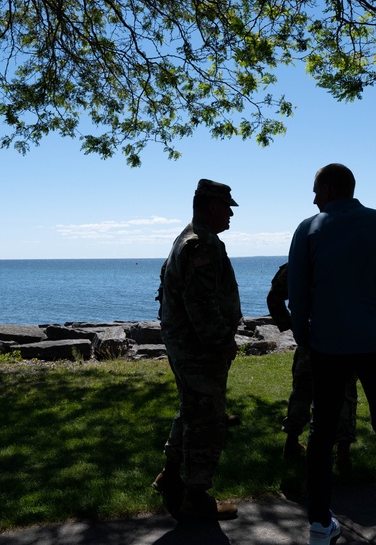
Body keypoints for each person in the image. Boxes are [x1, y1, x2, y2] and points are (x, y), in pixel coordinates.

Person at [288, 164, 376, 545]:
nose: (314, 199)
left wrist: (305, 338)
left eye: (316, 191)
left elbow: (297, 296)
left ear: (328, 189)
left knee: (321, 433)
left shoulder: (308, 229)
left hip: (328, 348)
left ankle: (319, 523)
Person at [151, 179, 241, 521]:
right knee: (207, 420)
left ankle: (170, 475)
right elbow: (200, 302)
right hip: (200, 349)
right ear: (212, 206)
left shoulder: (187, 239)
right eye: (227, 206)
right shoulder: (201, 244)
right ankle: (196, 498)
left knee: (191, 408)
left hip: (185, 345)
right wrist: (221, 343)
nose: (231, 213)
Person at [267, 262, 358, 467]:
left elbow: (274, 297)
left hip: (312, 338)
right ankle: (343, 453)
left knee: (302, 391)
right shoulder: (348, 261)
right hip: (344, 339)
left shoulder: (299, 264)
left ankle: (292, 442)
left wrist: (292, 326)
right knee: (344, 394)